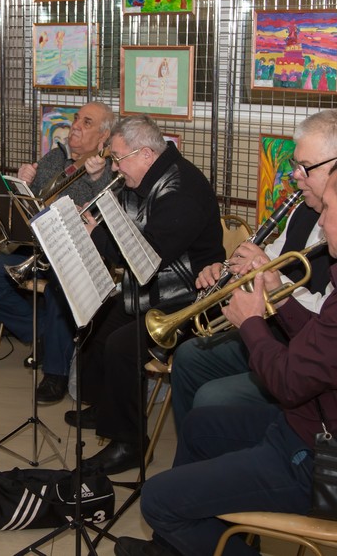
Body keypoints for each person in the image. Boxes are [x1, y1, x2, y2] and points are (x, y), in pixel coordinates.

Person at [117, 152, 337, 556]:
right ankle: (180, 548)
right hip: (327, 433)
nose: (321, 222)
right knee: (200, 427)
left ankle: (194, 541)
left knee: (157, 500)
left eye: (327, 209)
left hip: (327, 469)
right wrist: (280, 296)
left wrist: (251, 322)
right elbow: (328, 346)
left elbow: (288, 384)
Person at [171, 108, 337, 432]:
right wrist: (233, 271)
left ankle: (252, 452)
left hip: (323, 374)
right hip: (282, 338)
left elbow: (334, 325)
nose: (295, 175)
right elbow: (271, 260)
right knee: (189, 356)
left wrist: (273, 281)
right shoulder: (304, 210)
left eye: (305, 166)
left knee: (214, 397)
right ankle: (206, 450)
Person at [73, 116, 224, 476]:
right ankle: (108, 408)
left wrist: (97, 235)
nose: (114, 167)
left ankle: (130, 445)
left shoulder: (182, 188)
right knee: (95, 326)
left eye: (118, 158)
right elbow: (126, 228)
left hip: (190, 298)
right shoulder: (144, 177)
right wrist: (96, 220)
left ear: (145, 154)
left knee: (122, 346)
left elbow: (148, 256)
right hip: (150, 291)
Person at [0, 101, 115, 404]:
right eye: (77, 119)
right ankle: (45, 335)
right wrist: (23, 183)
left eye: (87, 123)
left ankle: (56, 373)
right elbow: (30, 204)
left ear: (104, 136)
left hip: (76, 257)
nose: (76, 126)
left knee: (59, 291)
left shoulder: (110, 167)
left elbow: (111, 212)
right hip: (37, 247)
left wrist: (96, 179)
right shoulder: (55, 157)